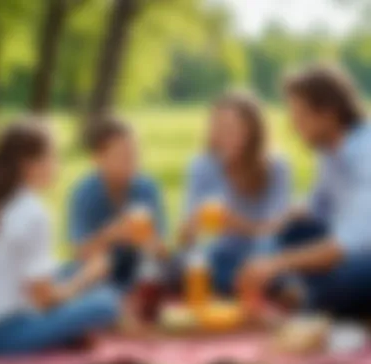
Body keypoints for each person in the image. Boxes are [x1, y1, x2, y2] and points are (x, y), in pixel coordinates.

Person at [240, 65, 371, 317]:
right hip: (344, 249)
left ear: (328, 113)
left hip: (361, 257)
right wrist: (269, 235)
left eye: (300, 115)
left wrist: (275, 263)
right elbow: (315, 208)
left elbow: (347, 245)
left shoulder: (365, 154)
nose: (294, 125)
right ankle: (306, 297)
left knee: (346, 278)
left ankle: (308, 300)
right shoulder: (330, 152)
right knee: (292, 232)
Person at [0, 120, 118, 356]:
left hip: (5, 309)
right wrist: (86, 278)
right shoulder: (34, 213)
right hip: (2, 333)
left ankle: (67, 330)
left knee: (71, 269)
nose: (57, 165)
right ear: (28, 165)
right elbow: (44, 299)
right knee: (106, 301)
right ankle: (66, 332)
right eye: (52, 157)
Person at [178, 92, 291, 294]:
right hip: (221, 254)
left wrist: (237, 223)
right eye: (219, 127)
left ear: (252, 131)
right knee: (188, 263)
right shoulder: (202, 165)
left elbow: (277, 228)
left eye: (232, 128)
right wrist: (191, 226)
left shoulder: (276, 166)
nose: (224, 134)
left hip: (261, 254)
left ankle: (250, 290)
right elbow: (186, 239)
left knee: (265, 251)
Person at [69, 115, 166, 291]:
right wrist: (111, 235)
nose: (132, 161)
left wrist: (148, 241)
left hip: (141, 274)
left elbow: (162, 253)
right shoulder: (85, 193)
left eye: (134, 153)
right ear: (99, 159)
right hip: (101, 280)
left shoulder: (147, 188)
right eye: (122, 155)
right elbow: (79, 254)